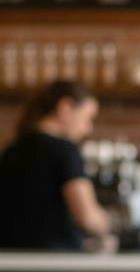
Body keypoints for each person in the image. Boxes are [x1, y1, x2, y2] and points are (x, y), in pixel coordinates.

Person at [0, 79, 111, 250]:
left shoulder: (11, 150)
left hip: (10, 260)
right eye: (87, 118)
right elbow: (86, 216)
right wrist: (108, 224)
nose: (88, 128)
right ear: (65, 108)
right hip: (55, 262)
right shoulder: (65, 150)